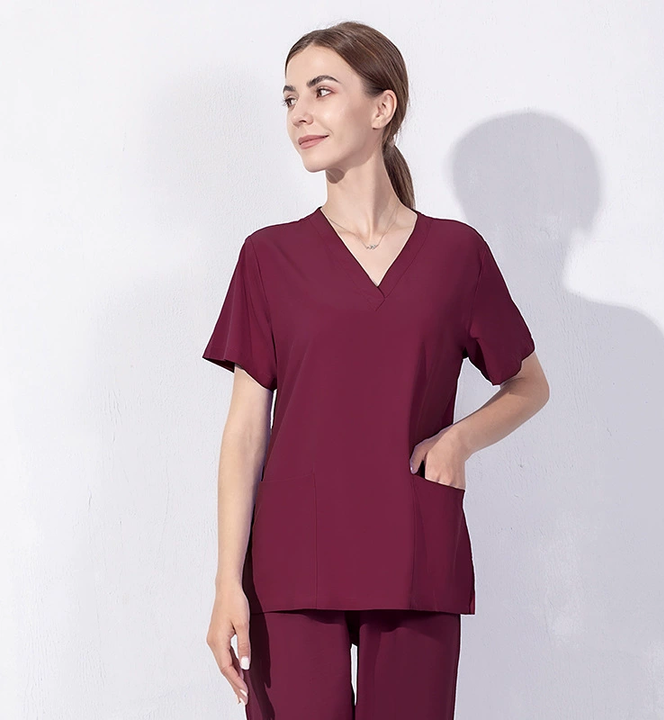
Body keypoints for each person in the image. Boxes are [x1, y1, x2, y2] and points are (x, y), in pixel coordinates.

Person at [202, 20, 549, 720]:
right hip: (294, 560)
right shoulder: (269, 257)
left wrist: (458, 441)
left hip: (413, 548)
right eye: (290, 98)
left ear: (382, 106)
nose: (300, 113)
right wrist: (225, 583)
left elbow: (528, 385)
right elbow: (244, 432)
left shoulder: (456, 255)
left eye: (322, 91)